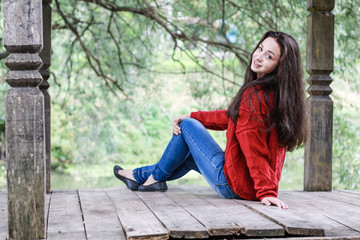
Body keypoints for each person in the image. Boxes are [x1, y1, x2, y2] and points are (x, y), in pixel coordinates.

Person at [113, 31, 307, 209]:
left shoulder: (254, 96)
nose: (258, 56)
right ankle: (138, 176)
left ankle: (152, 178)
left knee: (187, 127)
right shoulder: (279, 96)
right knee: (187, 157)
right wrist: (193, 115)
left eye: (269, 56)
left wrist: (266, 192)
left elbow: (253, 147)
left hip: (234, 185)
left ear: (280, 66)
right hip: (245, 180)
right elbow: (230, 117)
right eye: (260, 48)